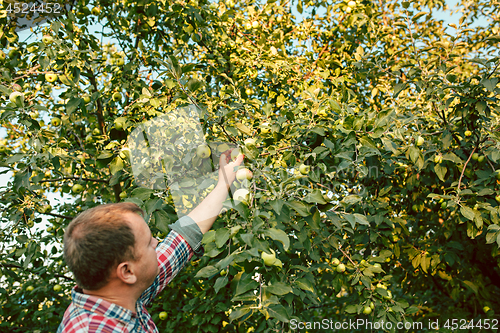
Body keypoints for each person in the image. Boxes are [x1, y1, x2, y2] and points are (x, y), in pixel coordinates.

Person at [57, 151, 244, 332]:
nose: (157, 243)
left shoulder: (118, 295)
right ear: (127, 271)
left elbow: (184, 236)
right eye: (148, 244)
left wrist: (224, 183)